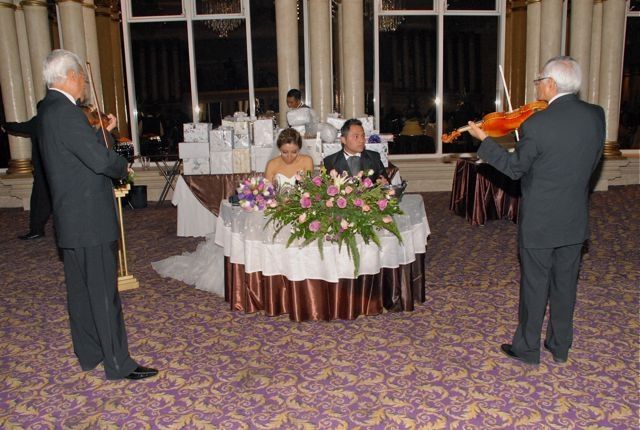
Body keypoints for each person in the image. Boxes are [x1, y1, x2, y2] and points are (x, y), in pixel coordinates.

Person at [467, 56, 605, 365]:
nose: (538, 86)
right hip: (574, 216)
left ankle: (528, 349)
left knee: (535, 285)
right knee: (566, 285)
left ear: (551, 84)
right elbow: (593, 160)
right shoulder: (596, 115)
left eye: (539, 80)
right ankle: (560, 346)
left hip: (540, 219)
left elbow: (515, 169)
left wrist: (485, 141)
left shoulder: (536, 123)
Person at [37, 49, 157, 380]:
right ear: (71, 76)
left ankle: (89, 353)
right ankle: (118, 364)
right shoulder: (67, 112)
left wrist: (101, 133)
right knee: (104, 293)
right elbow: (100, 161)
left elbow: (76, 155)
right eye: (83, 78)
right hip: (89, 218)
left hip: (70, 217)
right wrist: (123, 165)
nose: (85, 85)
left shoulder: (48, 110)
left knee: (80, 292)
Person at [323, 118, 388, 183]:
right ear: (343, 140)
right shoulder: (330, 162)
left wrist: (384, 183)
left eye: (363, 136)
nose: (362, 140)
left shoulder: (374, 157)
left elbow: (385, 182)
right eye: (356, 136)